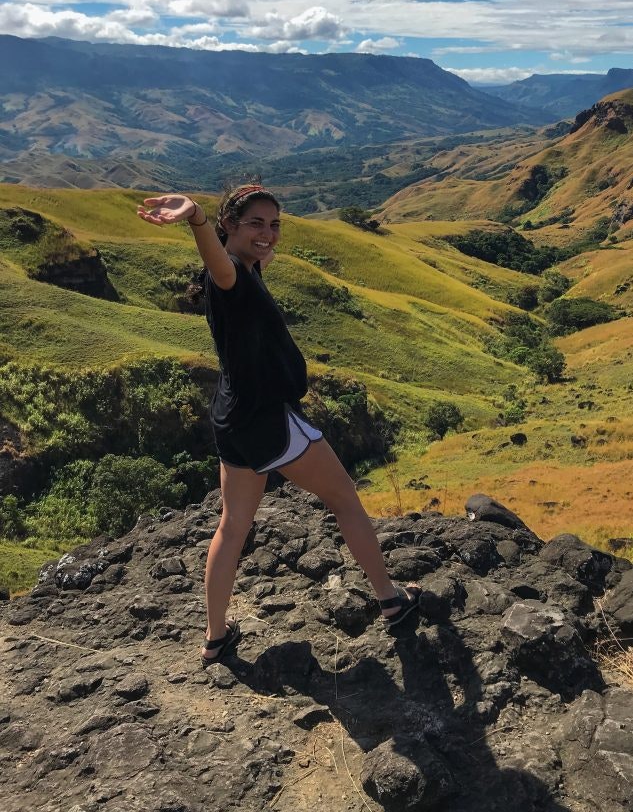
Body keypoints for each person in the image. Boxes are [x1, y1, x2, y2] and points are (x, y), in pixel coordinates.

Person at [137, 184, 420, 668]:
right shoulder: (231, 277)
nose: (268, 233)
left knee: (233, 526)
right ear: (229, 225)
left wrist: (248, 245)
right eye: (255, 224)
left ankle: (215, 638)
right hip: (270, 419)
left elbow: (240, 264)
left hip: (234, 419)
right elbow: (221, 267)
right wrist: (198, 221)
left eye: (274, 224)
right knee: (345, 499)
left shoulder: (249, 269)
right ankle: (391, 600)